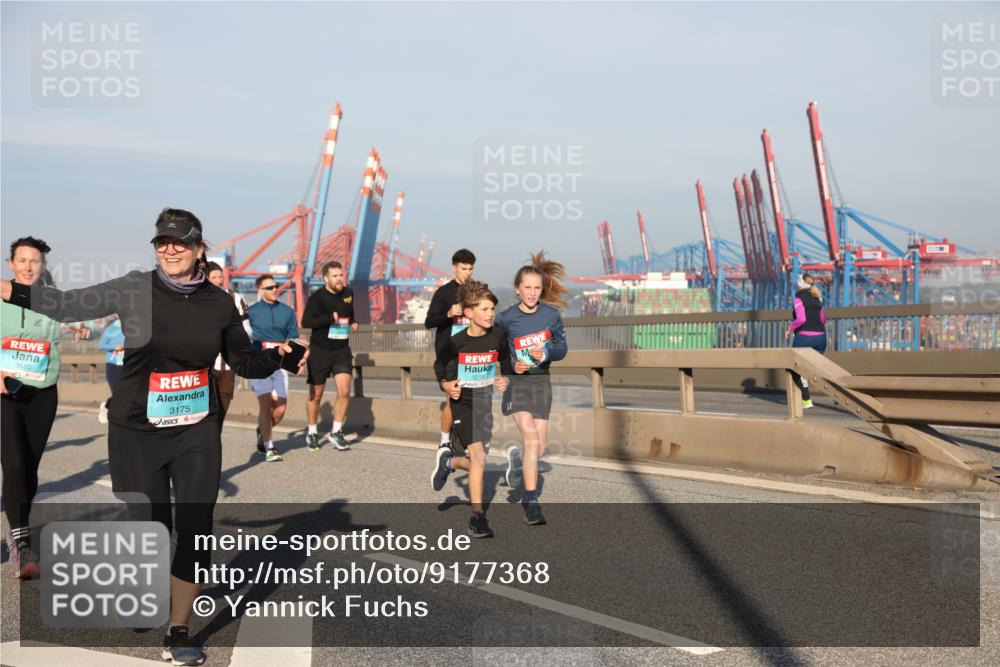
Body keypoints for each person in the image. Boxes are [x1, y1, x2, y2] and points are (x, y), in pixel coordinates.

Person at [1, 208, 305, 665]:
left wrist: (280, 357)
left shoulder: (219, 303)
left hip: (196, 428)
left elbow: (242, 361)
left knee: (196, 529)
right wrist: (14, 290)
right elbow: (64, 306)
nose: (169, 249)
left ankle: (179, 630)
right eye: (162, 241)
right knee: (152, 526)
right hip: (137, 428)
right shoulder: (133, 287)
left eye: (179, 241)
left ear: (200, 247)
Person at [1, 237, 63, 579]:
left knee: (30, 469)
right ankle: (22, 547)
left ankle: (17, 527)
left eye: (34, 261)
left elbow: (60, 332)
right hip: (4, 393)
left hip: (43, 390)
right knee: (14, 463)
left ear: (42, 266)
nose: (27, 267)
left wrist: (80, 329)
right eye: (21, 261)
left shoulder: (52, 301)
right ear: (11, 264)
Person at [431, 280, 512, 538]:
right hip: (462, 404)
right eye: (485, 309)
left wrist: (506, 378)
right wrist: (446, 384)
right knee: (478, 458)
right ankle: (478, 518)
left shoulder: (498, 335)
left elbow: (507, 362)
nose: (490, 314)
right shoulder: (456, 341)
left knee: (479, 460)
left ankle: (449, 461)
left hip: (484, 403)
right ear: (469, 313)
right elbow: (440, 365)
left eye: (492, 309)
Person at [495, 252, 569, 526]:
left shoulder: (551, 315)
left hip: (541, 383)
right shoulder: (506, 318)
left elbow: (562, 349)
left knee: (538, 446)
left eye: (537, 288)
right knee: (530, 437)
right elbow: (495, 348)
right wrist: (510, 367)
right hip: (517, 385)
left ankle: (517, 464)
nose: (532, 293)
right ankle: (531, 499)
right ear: (517, 289)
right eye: (527, 287)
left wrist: (546, 352)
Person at [302, 261, 357, 451]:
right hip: (320, 351)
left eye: (341, 275)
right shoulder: (317, 298)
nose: (339, 279)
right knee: (316, 395)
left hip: (341, 350)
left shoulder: (348, 293)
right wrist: (328, 319)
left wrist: (353, 322)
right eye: (335, 276)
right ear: (326, 278)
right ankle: (311, 432)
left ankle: (336, 431)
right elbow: (306, 321)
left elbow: (350, 312)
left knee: (344, 391)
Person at [424, 249, 476, 449]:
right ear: (454, 267)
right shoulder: (444, 292)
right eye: (464, 268)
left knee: (471, 400)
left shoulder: (475, 292)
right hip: (449, 354)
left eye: (470, 269)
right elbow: (429, 322)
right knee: (453, 398)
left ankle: (465, 436)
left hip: (471, 353)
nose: (467, 273)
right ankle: (445, 441)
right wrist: (447, 313)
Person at [247, 274, 299, 462]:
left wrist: (297, 361)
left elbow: (293, 339)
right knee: (266, 404)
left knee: (280, 409)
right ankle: (269, 447)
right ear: (260, 291)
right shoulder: (251, 312)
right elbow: (243, 338)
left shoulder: (287, 311)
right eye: (269, 288)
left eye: (276, 286)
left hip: (280, 363)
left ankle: (262, 429)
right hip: (259, 362)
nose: (275, 289)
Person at [205, 262, 251, 435]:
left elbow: (247, 329)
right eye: (213, 277)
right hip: (204, 365)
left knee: (221, 411)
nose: (218, 281)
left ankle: (213, 443)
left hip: (227, 364)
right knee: (205, 411)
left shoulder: (236, 299)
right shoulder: (198, 298)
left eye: (220, 276)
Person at [787, 273, 827, 409]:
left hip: (805, 338)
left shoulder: (798, 298)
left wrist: (790, 328)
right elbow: (823, 320)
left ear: (800, 284)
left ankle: (806, 399)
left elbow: (801, 319)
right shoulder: (818, 298)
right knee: (811, 367)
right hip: (821, 338)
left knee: (794, 367)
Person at [97, 314, 125, 424]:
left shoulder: (134, 328)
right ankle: (107, 406)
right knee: (117, 393)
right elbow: (101, 345)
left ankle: (121, 418)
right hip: (114, 364)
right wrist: (115, 347)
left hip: (128, 364)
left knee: (127, 393)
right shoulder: (112, 328)